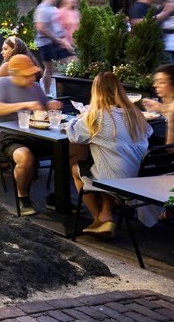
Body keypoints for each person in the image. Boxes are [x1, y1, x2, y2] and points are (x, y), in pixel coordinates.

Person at [66, 72, 152, 237]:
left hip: (116, 179)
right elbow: (149, 132)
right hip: (138, 175)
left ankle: (99, 218)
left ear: (96, 91)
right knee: (104, 162)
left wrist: (80, 116)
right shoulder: (134, 114)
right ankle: (106, 214)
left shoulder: (95, 117)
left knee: (77, 170)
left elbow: (73, 135)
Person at [0, 54, 60, 216]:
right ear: (14, 74)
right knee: (25, 156)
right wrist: (25, 104)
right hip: (2, 137)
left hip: (31, 135)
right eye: (27, 74)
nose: (32, 77)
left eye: (33, 73)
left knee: (69, 150)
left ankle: (57, 197)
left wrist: (50, 105)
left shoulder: (34, 86)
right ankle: (23, 197)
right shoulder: (0, 84)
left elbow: (43, 106)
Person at [33, 0, 72, 96]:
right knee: (51, 68)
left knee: (52, 68)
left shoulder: (52, 8)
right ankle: (47, 92)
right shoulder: (42, 9)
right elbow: (41, 27)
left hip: (54, 41)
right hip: (47, 43)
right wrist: (56, 39)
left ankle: (49, 92)